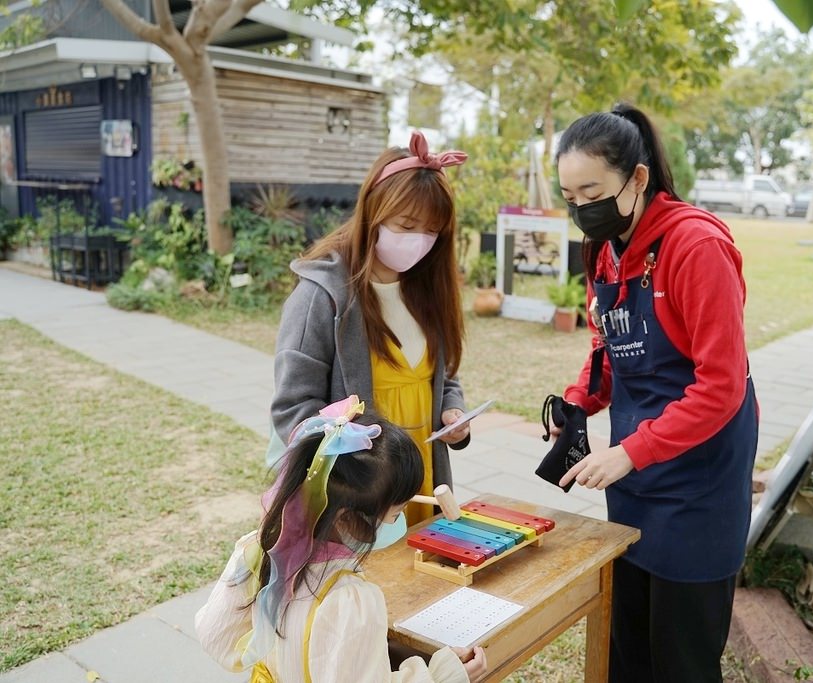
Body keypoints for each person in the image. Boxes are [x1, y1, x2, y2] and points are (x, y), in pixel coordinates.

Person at [548, 103, 758, 683]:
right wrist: (578, 402)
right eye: (569, 197)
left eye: (591, 191)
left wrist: (629, 451)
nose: (581, 209)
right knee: (628, 649)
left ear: (637, 178)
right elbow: (608, 343)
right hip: (635, 479)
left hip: (699, 486)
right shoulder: (606, 248)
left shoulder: (697, 248)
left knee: (683, 659)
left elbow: (721, 389)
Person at [196, 396, 488, 682]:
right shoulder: (349, 601)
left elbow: (216, 635)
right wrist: (442, 675)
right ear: (347, 518)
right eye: (395, 514)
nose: (396, 522)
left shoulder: (257, 550)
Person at [270, 132, 471, 527]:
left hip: (424, 480)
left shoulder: (427, 290)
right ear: (372, 212)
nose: (418, 242)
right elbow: (293, 410)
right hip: (360, 499)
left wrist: (453, 412)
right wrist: (363, 460)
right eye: (407, 225)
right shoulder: (323, 295)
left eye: (431, 232)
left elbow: (442, 377)